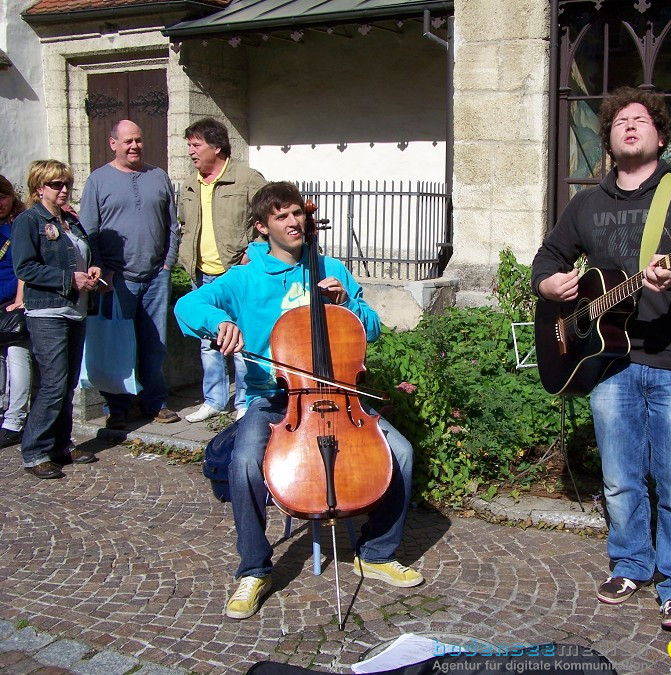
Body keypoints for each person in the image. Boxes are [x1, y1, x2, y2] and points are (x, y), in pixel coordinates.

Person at [174, 181, 423, 620]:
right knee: (246, 461)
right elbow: (187, 306)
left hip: (339, 397)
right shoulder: (245, 277)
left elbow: (372, 328)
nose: (294, 222)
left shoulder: (331, 269)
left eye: (298, 214)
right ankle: (254, 568)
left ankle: (376, 552)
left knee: (399, 453)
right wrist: (217, 323)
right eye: (282, 216)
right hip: (271, 400)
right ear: (262, 227)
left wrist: (349, 305)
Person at [531, 87, 671, 631]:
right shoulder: (587, 205)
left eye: (641, 119)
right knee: (619, 479)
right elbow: (548, 256)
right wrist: (550, 284)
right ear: (610, 140)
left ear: (659, 135)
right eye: (619, 121)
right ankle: (630, 564)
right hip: (608, 364)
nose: (630, 125)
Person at [79, 120, 181, 429]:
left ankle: (155, 401)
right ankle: (118, 406)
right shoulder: (98, 181)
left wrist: (167, 263)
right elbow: (88, 232)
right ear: (113, 144)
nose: (134, 145)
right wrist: (100, 268)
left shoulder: (158, 176)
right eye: (127, 141)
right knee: (119, 344)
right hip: (116, 278)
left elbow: (173, 225)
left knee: (155, 344)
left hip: (155, 276)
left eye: (138, 140)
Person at [12, 160, 101, 479]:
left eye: (66, 184)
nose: (64, 189)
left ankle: (61, 444)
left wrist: (93, 270)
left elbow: (85, 253)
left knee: (67, 382)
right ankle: (35, 450)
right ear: (38, 188)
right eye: (55, 184)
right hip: (47, 311)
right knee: (52, 382)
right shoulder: (29, 221)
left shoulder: (71, 221)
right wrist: (68, 279)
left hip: (75, 309)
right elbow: (25, 267)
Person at [179, 117, 266, 423]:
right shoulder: (190, 183)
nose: (191, 151)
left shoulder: (246, 179)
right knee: (209, 341)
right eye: (189, 145)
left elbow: (268, 218)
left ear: (217, 147)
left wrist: (251, 254)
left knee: (242, 341)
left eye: (196, 145)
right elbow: (185, 225)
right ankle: (214, 399)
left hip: (236, 274)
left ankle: (245, 400)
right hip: (202, 274)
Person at [0, 175, 32, 449]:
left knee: (18, 361)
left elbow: (23, 268)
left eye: (3, 196)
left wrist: (18, 298)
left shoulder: (18, 227)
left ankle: (15, 420)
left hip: (13, 304)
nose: (0, 203)